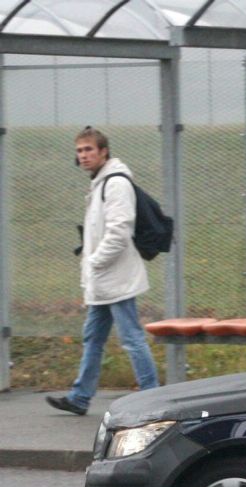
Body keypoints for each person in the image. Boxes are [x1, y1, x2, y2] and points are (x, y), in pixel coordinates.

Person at [46, 127, 159, 415]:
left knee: (132, 339)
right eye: (79, 151)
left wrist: (95, 262)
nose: (83, 156)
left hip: (115, 278)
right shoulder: (100, 182)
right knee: (93, 337)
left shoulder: (115, 183)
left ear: (103, 151)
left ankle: (154, 399)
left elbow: (120, 231)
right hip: (103, 281)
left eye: (88, 150)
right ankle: (80, 397)